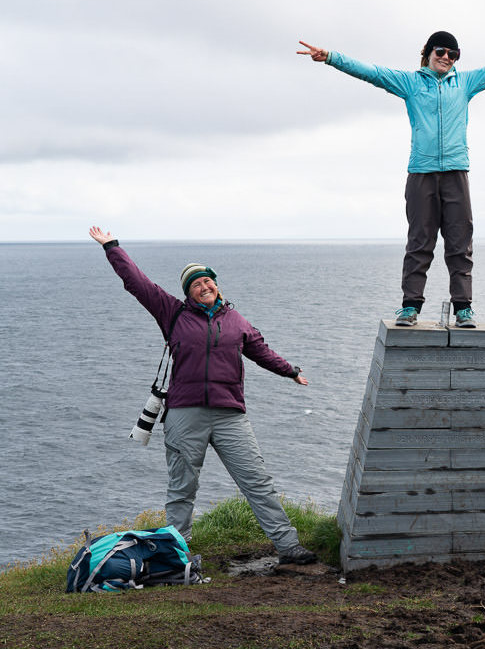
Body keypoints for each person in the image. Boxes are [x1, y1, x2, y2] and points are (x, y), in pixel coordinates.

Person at [297, 31, 485, 328]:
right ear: (428, 52)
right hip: (421, 173)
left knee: (460, 242)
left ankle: (464, 308)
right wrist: (330, 58)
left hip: (456, 172)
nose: (446, 58)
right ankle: (410, 306)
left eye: (453, 54)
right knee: (420, 241)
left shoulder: (465, 83)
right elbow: (372, 73)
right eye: (441, 52)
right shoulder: (410, 83)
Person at [88, 227, 317, 565]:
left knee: (257, 481)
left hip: (229, 415)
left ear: (216, 285)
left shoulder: (236, 320)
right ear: (189, 294)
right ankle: (177, 557)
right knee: (182, 490)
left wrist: (290, 370)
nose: (204, 287)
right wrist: (112, 247)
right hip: (184, 414)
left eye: (208, 281)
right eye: (196, 285)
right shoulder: (172, 313)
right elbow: (138, 282)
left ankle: (288, 546)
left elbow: (261, 351)